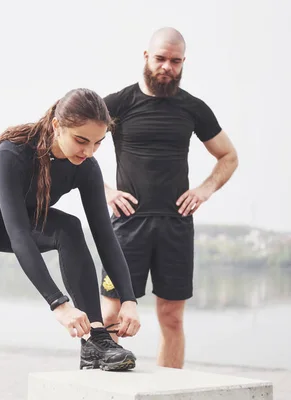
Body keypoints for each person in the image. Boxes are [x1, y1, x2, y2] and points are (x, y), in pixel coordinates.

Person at [0, 88, 142, 400]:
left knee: (70, 228)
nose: (89, 151)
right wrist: (58, 303)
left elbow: (104, 235)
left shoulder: (86, 166)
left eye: (98, 143)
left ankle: (95, 339)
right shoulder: (12, 153)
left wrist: (128, 298)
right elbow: (19, 234)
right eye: (81, 140)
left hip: (20, 221)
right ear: (56, 126)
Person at [98, 27, 239, 369]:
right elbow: (73, 149)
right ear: (146, 57)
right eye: (160, 59)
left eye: (175, 61)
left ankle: (168, 390)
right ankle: (101, 385)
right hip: (127, 227)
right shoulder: (117, 104)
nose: (167, 67)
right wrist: (105, 192)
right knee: (110, 313)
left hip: (176, 227)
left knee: (172, 318)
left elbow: (228, 156)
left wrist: (204, 190)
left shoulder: (193, 108)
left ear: (183, 63)